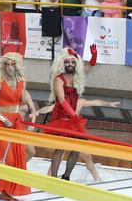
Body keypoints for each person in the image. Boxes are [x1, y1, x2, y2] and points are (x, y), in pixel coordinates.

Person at [41, 47, 119, 182]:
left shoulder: (76, 77)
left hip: (73, 120)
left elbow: (89, 67)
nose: (70, 65)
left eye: (72, 62)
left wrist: (94, 56)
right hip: (62, 118)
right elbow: (62, 100)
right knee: (59, 150)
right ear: (62, 64)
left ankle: (66, 177)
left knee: (77, 148)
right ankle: (53, 179)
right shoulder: (59, 79)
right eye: (67, 62)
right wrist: (73, 115)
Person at [0, 52, 36, 201]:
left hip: (17, 121)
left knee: (24, 154)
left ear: (17, 65)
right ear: (3, 66)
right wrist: (2, 119)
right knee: (6, 158)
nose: (9, 67)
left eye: (12, 64)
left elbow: (22, 101)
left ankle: (7, 188)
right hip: (2, 122)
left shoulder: (22, 81)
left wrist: (24, 108)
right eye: (6, 64)